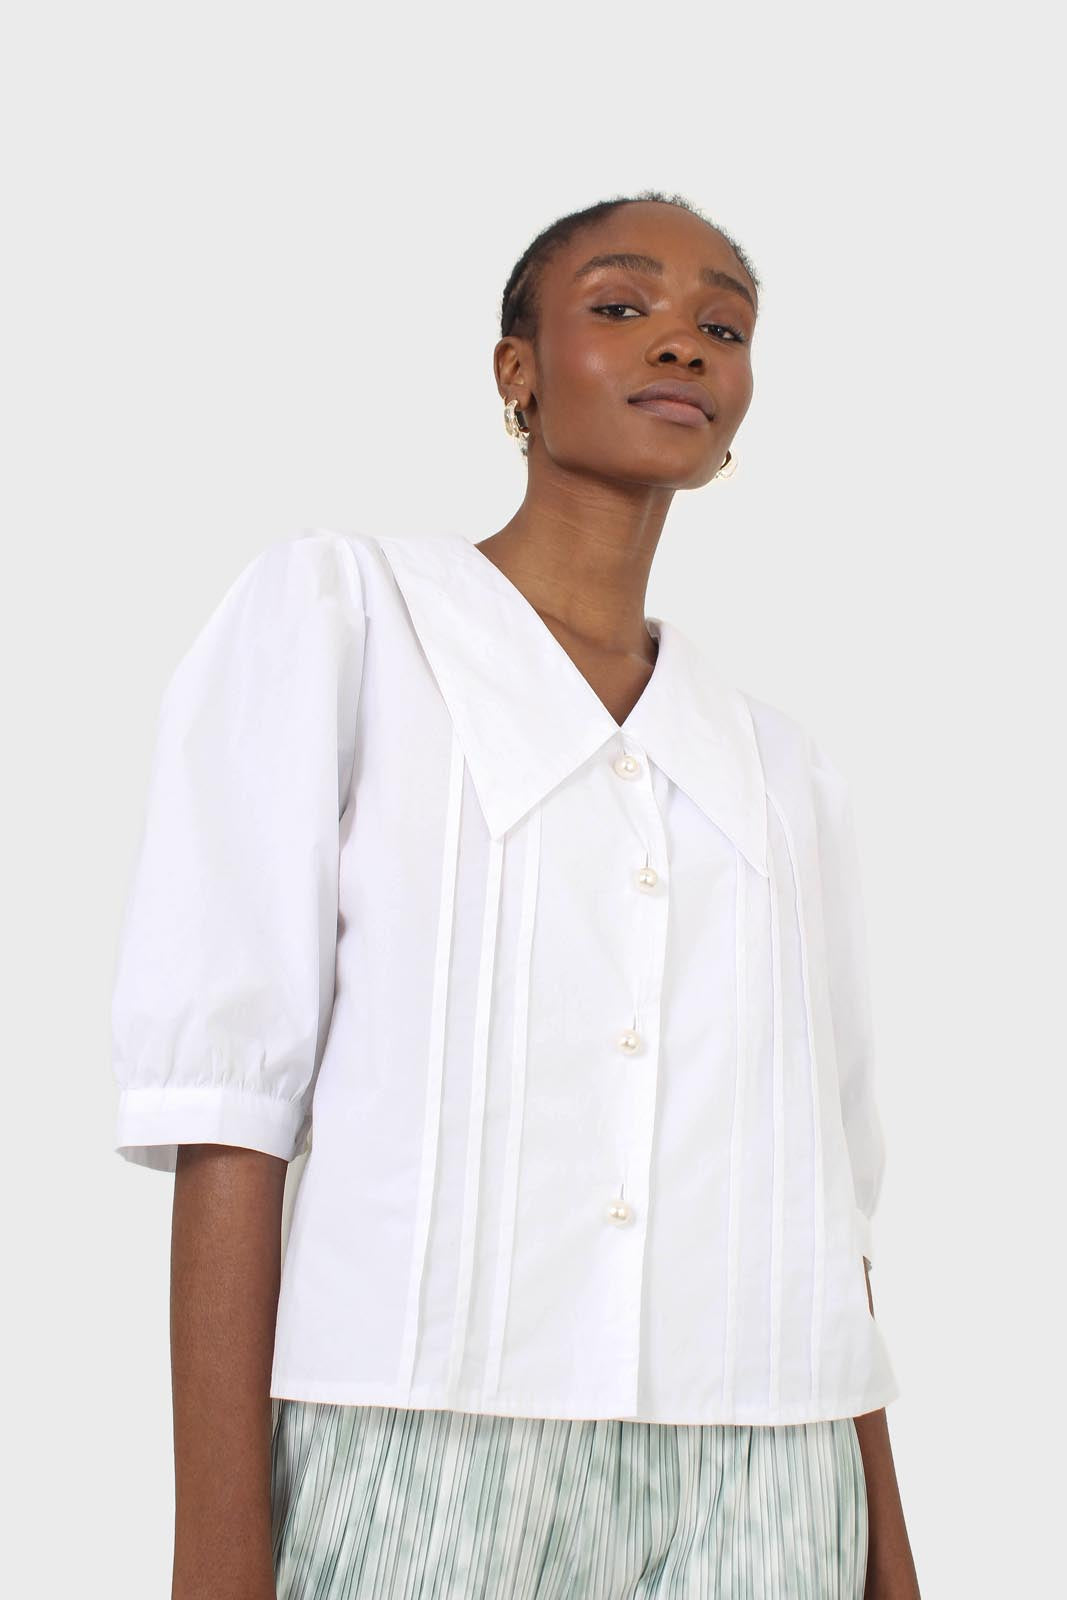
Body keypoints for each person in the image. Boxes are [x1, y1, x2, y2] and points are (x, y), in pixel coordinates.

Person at [110, 190, 921, 1598]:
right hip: (421, 1455)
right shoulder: (347, 628)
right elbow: (230, 1114)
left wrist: (887, 1555)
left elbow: (825, 1214)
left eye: (724, 327)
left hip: (771, 1484)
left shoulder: (784, 773)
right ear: (517, 372)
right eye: (622, 306)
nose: (683, 342)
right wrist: (216, 1555)